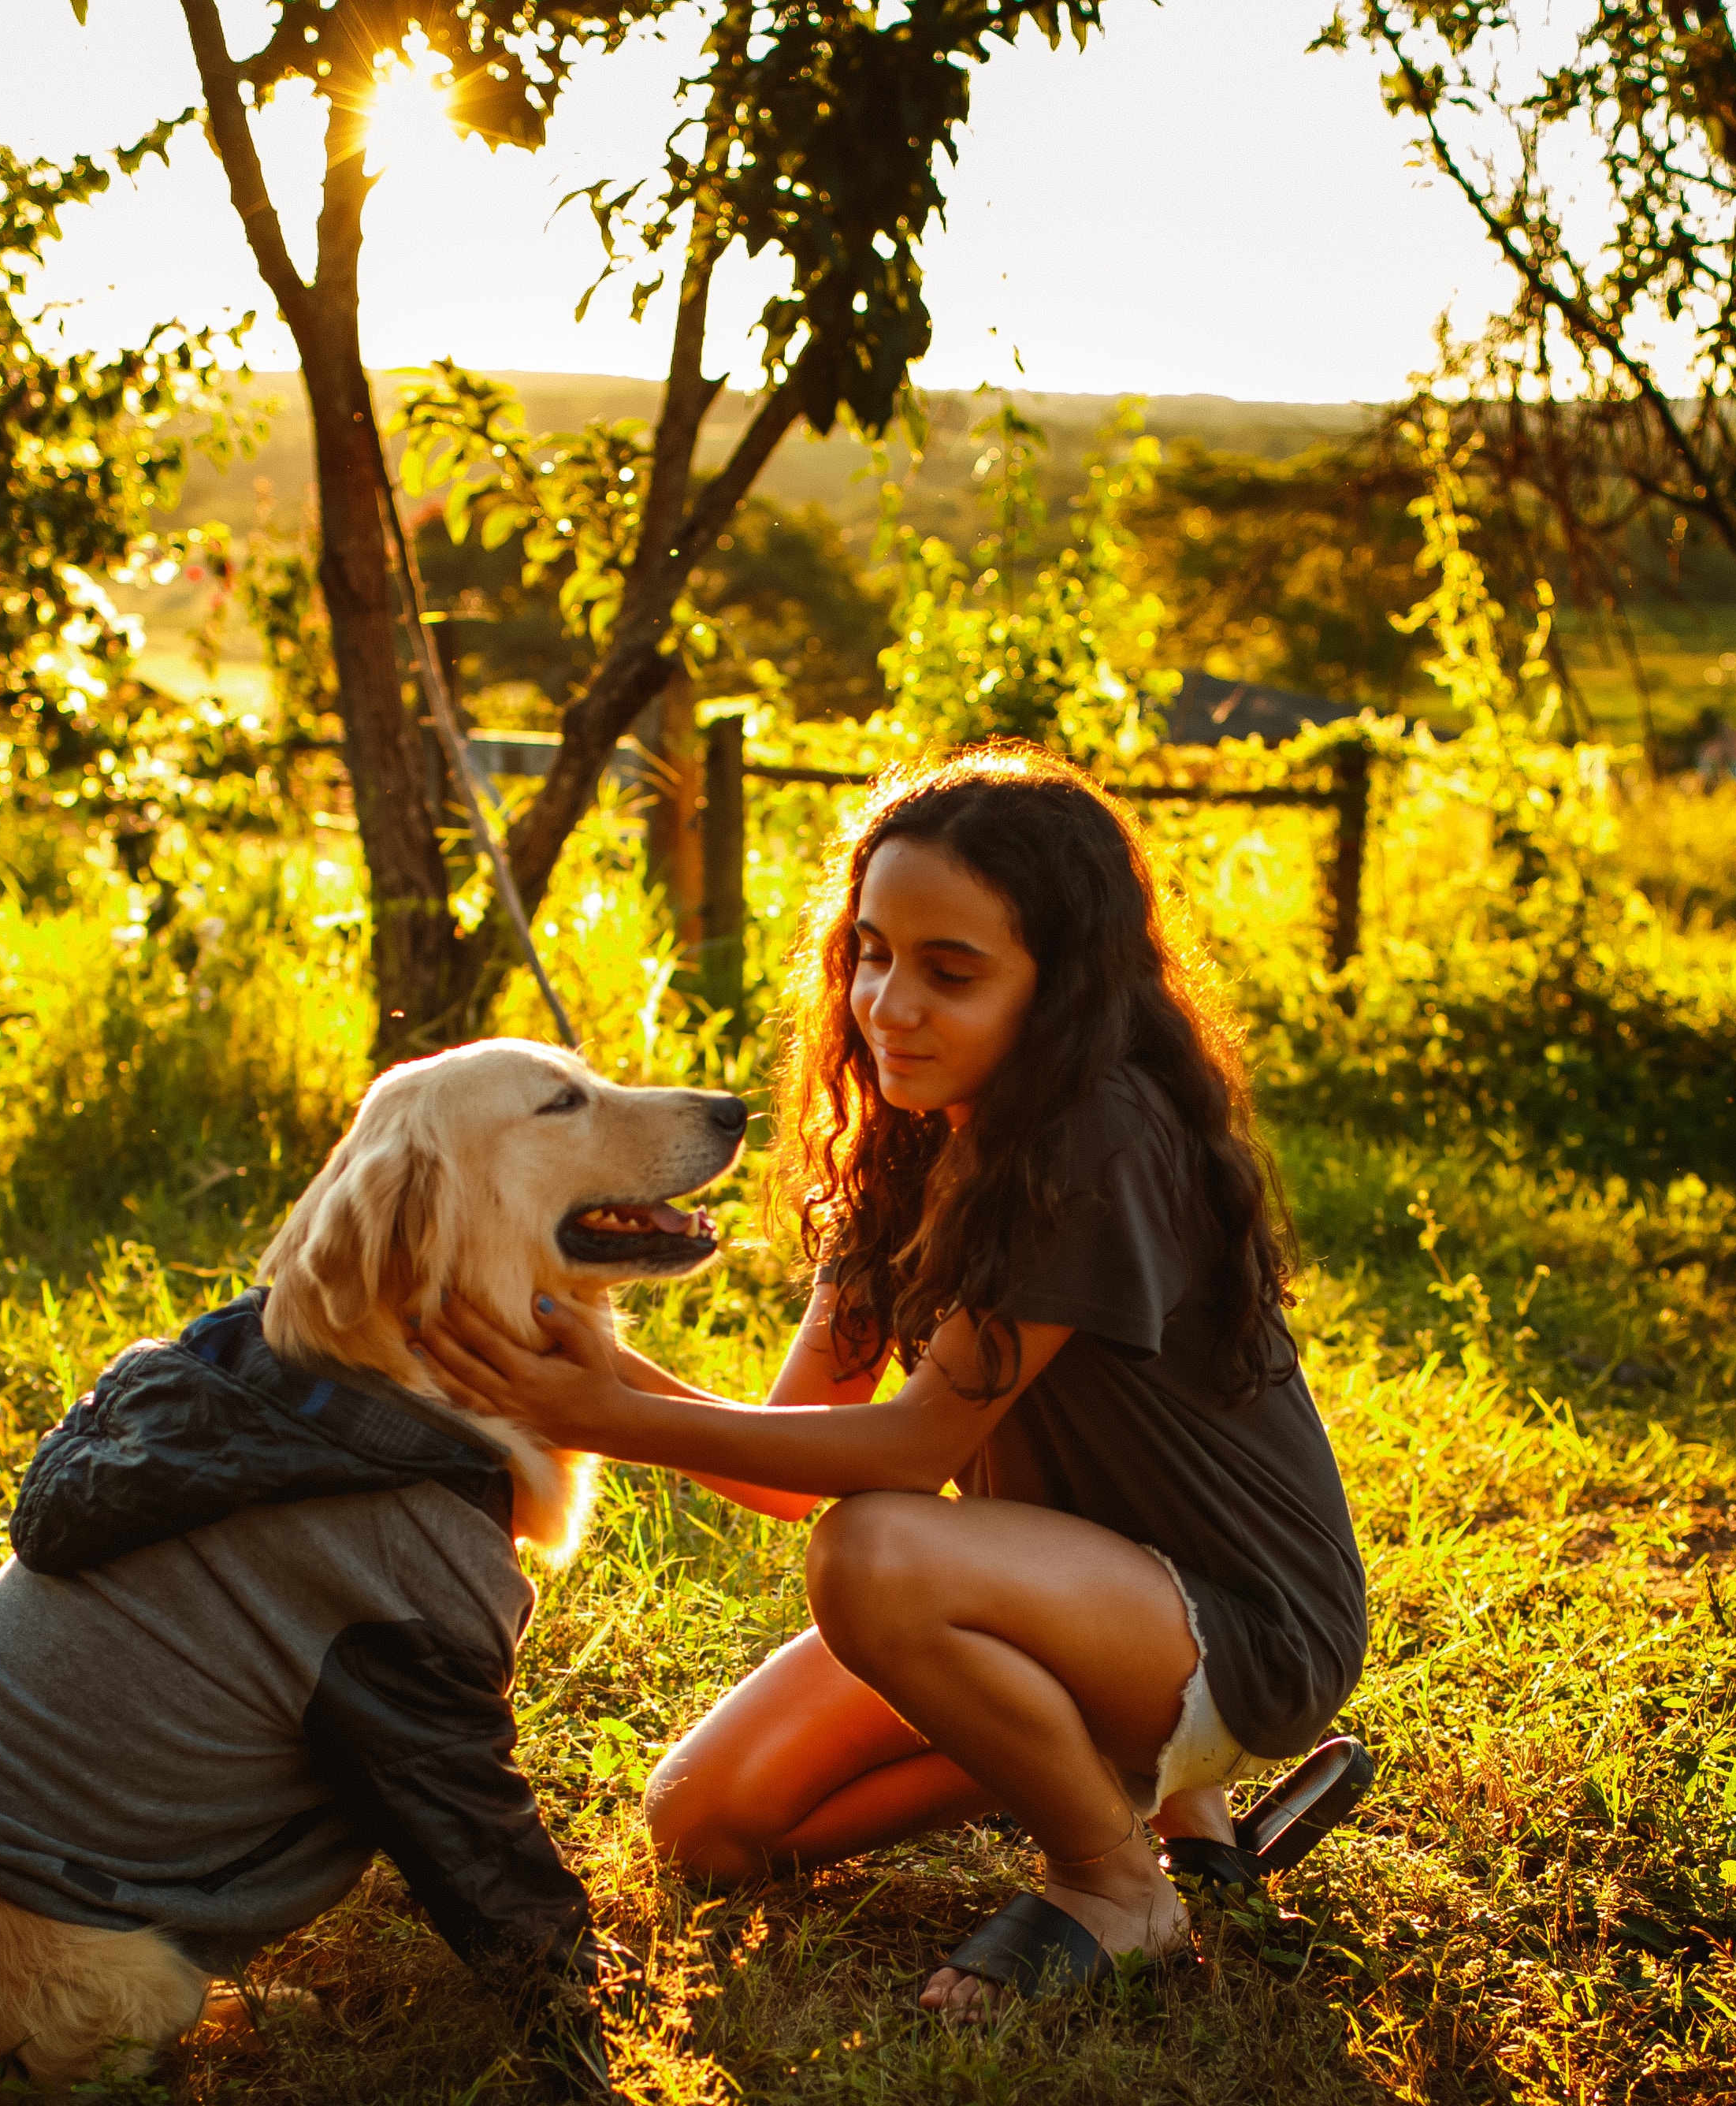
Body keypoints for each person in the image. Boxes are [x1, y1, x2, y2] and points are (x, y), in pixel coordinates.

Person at [414, 745, 1369, 2015]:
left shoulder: (1098, 1135)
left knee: (876, 1555)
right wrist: (599, 1365)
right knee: (706, 1824)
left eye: (950, 972)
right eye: (869, 951)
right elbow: (786, 1453)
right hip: (1073, 1601)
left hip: (1245, 1625)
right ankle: (1153, 1801)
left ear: (1064, 987)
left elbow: (905, 1456)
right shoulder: (909, 1141)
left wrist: (601, 1414)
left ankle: (1111, 1880)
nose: (888, 1003)